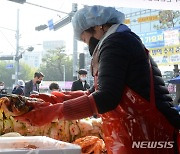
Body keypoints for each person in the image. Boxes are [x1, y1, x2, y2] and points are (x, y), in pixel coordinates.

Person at [16, 6, 180, 153]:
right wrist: (57, 98)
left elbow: (106, 98)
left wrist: (53, 112)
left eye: (85, 39)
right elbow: (94, 92)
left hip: (150, 135)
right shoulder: (118, 39)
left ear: (98, 26)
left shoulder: (116, 41)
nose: (87, 45)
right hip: (133, 135)